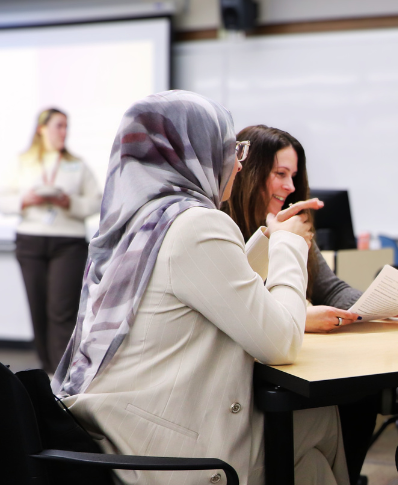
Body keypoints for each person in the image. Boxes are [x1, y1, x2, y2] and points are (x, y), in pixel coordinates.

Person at [51, 91, 349, 485]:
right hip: (166, 447)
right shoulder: (196, 224)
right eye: (230, 149)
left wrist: (267, 236)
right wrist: (289, 244)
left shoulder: (141, 219)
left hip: (116, 425)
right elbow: (282, 341)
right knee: (321, 419)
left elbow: (211, 285)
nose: (237, 164)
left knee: (311, 462)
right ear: (190, 153)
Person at [220, 124, 398, 485]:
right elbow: (244, 308)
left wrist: (376, 304)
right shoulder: (223, 227)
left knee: (362, 391)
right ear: (252, 171)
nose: (290, 187)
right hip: (251, 376)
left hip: (296, 359)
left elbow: (331, 288)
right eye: (280, 174)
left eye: (294, 176)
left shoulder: (294, 225)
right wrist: (303, 317)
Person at [0, 108, 101, 373]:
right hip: (30, 241)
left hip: (67, 243)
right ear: (42, 129)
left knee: (61, 312)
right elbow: (3, 199)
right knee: (38, 310)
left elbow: (97, 201)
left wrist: (70, 202)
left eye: (66, 126)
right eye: (59, 126)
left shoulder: (77, 164)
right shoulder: (22, 162)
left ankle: (62, 375)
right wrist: (25, 200)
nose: (64, 132)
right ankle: (46, 373)